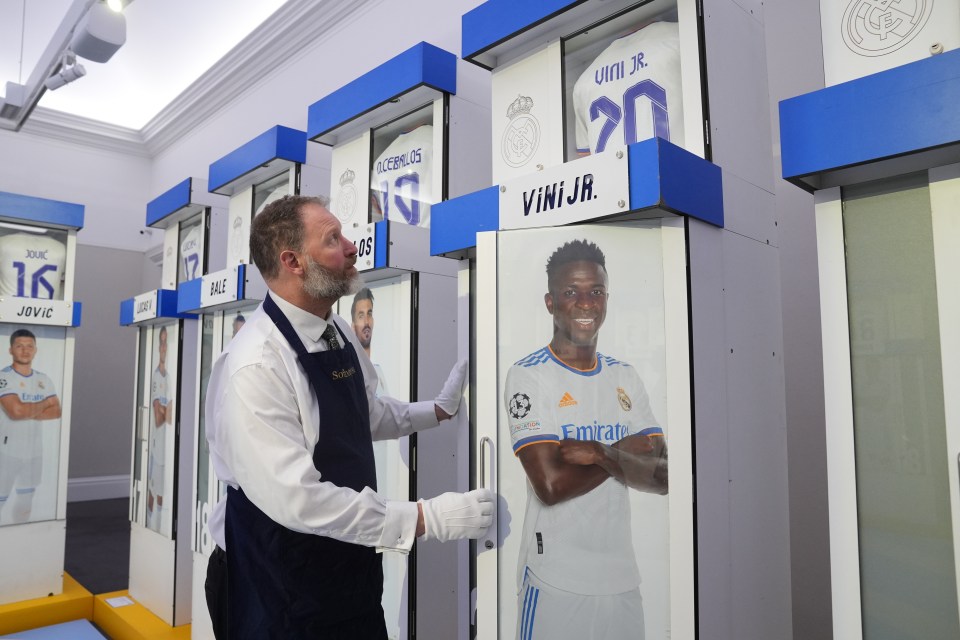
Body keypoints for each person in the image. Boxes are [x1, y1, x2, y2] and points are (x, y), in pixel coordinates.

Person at [204, 194, 493, 639]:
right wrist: (424, 518)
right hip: (277, 584)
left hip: (345, 567)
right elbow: (298, 499)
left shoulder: (335, 329)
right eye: (333, 239)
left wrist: (435, 411)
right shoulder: (256, 365)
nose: (353, 246)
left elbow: (367, 413)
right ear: (293, 261)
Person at [503, 239, 668, 640]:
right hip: (555, 581)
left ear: (606, 298)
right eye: (571, 292)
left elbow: (663, 476)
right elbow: (551, 485)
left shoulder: (624, 376)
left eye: (596, 292)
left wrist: (598, 452)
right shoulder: (529, 376)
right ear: (550, 302)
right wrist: (626, 454)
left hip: (622, 581)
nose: (585, 303)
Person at [0, 329, 61, 524]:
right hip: (6, 452)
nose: (25, 351)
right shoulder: (4, 377)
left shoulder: (43, 379)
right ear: (11, 350)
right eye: (20, 346)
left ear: (35, 350)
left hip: (34, 452)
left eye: (29, 346)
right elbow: (15, 412)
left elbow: (57, 411)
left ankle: (20, 536)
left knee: (26, 500)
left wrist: (28, 409)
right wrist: (43, 403)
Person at [147, 324, 172, 533]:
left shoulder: (169, 377)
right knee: (152, 491)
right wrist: (168, 409)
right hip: (156, 447)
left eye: (166, 343)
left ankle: (157, 529)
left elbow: (167, 414)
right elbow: (158, 417)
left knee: (162, 492)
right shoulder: (156, 377)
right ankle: (150, 528)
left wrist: (167, 410)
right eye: (161, 342)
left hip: (167, 446)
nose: (164, 347)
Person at [351, 287, 389, 397]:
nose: (366, 322)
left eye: (369, 314)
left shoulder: (378, 370)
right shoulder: (350, 372)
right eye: (361, 315)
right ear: (353, 326)